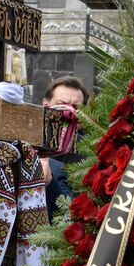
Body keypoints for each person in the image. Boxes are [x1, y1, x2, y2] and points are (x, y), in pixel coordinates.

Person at [40, 75, 88, 218]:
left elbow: (74, 212)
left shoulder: (88, 153)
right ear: (45, 105)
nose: (68, 112)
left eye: (74, 107)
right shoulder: (26, 140)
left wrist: (49, 182)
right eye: (61, 104)